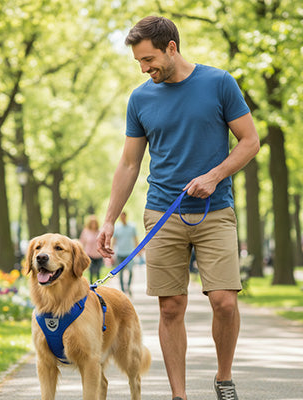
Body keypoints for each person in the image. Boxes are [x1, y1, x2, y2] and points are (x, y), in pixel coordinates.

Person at [96, 16, 260, 400]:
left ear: (172, 47)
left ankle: (223, 377)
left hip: (215, 210)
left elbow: (249, 141)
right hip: (161, 214)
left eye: (149, 59)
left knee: (224, 301)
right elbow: (129, 164)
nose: (144, 68)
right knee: (171, 307)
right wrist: (107, 219)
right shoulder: (140, 98)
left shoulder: (218, 83)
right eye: (139, 62)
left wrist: (215, 175)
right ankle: (179, 395)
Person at [113, 211, 138, 295]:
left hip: (130, 253)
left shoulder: (132, 227)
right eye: (121, 216)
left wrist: (138, 250)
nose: (122, 218)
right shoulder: (116, 228)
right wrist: (111, 250)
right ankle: (123, 290)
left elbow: (135, 239)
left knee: (130, 271)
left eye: (123, 216)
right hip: (120, 253)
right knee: (121, 273)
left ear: (126, 217)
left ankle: (128, 286)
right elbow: (114, 240)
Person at [79, 215, 104, 284]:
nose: (93, 224)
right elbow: (82, 242)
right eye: (92, 223)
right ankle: (91, 285)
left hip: (98, 255)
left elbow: (103, 242)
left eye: (95, 222)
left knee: (98, 272)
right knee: (91, 272)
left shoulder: (100, 231)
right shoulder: (86, 231)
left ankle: (98, 286)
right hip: (89, 255)